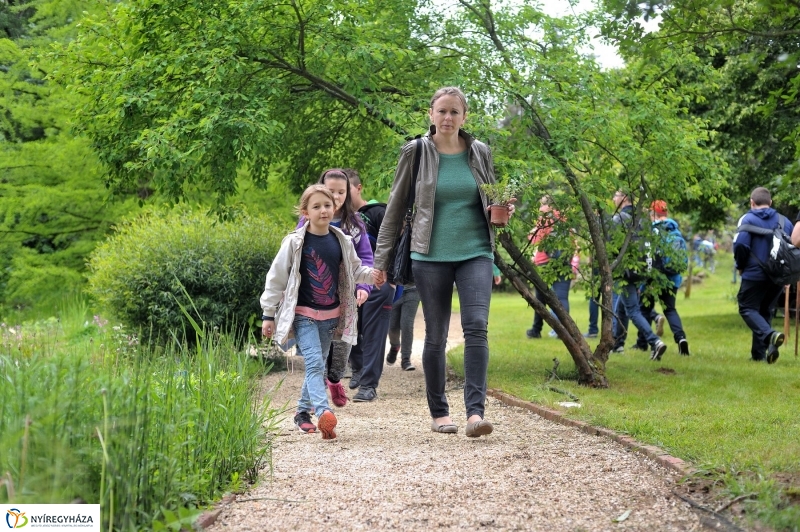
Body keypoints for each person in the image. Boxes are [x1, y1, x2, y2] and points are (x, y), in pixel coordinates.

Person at [372, 86, 513, 437]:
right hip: (429, 254)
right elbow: (395, 208)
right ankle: (439, 413)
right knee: (435, 334)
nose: (448, 117)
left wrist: (501, 210)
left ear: (464, 117)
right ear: (431, 114)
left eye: (454, 112)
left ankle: (475, 414)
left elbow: (491, 197)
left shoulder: (480, 152)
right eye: (442, 111)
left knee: (476, 325)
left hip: (476, 251)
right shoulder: (416, 151)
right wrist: (380, 261)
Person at [260, 185, 375, 439]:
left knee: (318, 365)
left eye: (327, 205)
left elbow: (356, 270)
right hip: (304, 315)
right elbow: (276, 278)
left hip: (331, 316)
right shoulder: (295, 242)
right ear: (305, 212)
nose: (323, 210)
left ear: (334, 208)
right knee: (313, 364)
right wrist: (268, 314)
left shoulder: (341, 240)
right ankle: (323, 412)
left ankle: (302, 413)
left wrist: (372, 276)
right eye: (316, 206)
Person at [297, 168, 373, 407]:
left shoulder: (355, 224)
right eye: (332, 191)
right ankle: (313, 405)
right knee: (316, 357)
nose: (337, 197)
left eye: (341, 192)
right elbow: (294, 257)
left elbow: (365, 259)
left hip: (344, 300)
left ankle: (334, 379)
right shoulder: (305, 224)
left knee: (341, 352)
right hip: (311, 301)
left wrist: (364, 286)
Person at [345, 168, 397, 401]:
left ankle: (368, 385)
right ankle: (357, 368)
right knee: (349, 331)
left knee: (374, 333)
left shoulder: (377, 212)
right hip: (347, 284)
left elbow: (395, 244)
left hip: (378, 282)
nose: (338, 195)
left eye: (344, 190)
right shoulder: (336, 219)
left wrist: (393, 280)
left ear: (358, 188)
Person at [733, 187, 794, 363]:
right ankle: (759, 355)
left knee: (746, 308)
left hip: (754, 274)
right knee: (765, 311)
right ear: (771, 202)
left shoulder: (747, 219)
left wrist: (740, 266)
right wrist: (788, 274)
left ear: (752, 202)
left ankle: (770, 335)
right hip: (777, 276)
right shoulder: (784, 221)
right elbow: (791, 248)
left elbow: (740, 245)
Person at [609, 190, 668, 361]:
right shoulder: (643, 218)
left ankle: (655, 341)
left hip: (625, 271)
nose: (613, 199)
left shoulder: (619, 219)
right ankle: (618, 344)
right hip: (641, 269)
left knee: (633, 310)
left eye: (616, 196)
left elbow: (611, 245)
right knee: (620, 308)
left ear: (624, 198)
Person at [632, 200, 690, 356]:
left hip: (652, 278)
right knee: (670, 309)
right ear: (666, 213)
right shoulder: (675, 230)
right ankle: (681, 338)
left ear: (653, 214)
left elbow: (646, 256)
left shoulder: (651, 231)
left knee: (645, 309)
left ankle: (642, 343)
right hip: (672, 278)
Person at [525, 195, 573, 339]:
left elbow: (537, 239)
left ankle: (536, 330)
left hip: (544, 262)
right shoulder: (564, 218)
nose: (540, 207)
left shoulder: (544, 217)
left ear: (546, 204)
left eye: (541, 204)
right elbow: (571, 240)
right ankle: (564, 331)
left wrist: (531, 233)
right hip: (564, 261)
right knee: (562, 298)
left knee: (540, 299)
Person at [387, 284, 420, 371]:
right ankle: (395, 346)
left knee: (407, 325)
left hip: (414, 290)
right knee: (392, 326)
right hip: (396, 289)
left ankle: (406, 359)